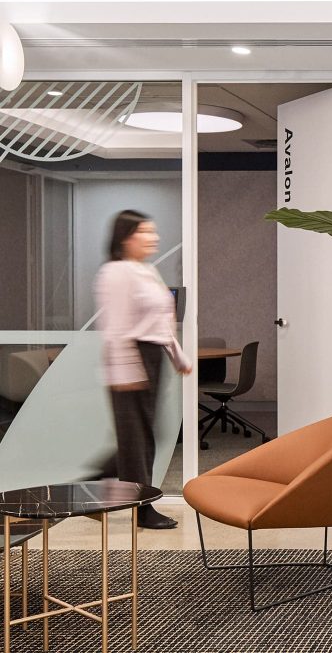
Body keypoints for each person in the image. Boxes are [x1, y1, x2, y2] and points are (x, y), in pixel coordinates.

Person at [95, 210, 191, 530]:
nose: (154, 237)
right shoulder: (117, 272)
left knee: (139, 437)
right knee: (138, 441)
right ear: (126, 237)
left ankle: (94, 483)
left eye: (153, 231)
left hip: (151, 357)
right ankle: (143, 510)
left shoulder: (146, 270)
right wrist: (125, 371)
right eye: (146, 232)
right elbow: (116, 326)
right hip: (131, 357)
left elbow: (163, 320)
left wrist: (178, 356)